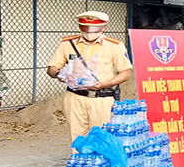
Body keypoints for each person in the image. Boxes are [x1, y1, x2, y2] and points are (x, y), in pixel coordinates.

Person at [46, 11, 132, 145]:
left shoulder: (114, 45)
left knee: (101, 137)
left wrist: (104, 84)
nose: (90, 32)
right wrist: (60, 74)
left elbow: (125, 73)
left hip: (101, 98)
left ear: (104, 27)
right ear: (80, 26)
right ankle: (78, 158)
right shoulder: (68, 44)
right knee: (77, 137)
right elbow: (51, 69)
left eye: (94, 28)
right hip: (74, 97)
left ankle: (99, 159)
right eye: (86, 28)